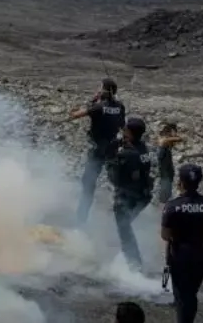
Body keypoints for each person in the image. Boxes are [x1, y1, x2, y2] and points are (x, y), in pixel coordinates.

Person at [161, 163, 203, 323]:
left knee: (183, 297)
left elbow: (165, 236)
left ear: (180, 182)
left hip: (179, 255)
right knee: (191, 294)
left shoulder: (172, 206)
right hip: (200, 255)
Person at [69, 77, 126, 224]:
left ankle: (81, 218)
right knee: (117, 182)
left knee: (88, 183)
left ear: (104, 90)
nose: (98, 89)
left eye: (100, 87)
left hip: (97, 151)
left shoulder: (98, 107)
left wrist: (91, 101)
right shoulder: (120, 107)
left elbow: (75, 114)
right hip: (112, 148)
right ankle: (123, 215)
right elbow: (121, 125)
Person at [108, 117, 154, 271]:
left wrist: (113, 155)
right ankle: (130, 259)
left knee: (124, 229)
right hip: (143, 195)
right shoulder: (143, 149)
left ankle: (133, 264)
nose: (123, 132)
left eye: (126, 130)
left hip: (128, 197)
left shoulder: (127, 154)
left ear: (131, 133)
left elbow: (114, 177)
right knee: (126, 227)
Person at [155, 122, 183, 204]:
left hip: (167, 174)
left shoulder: (165, 144)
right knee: (164, 197)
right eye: (174, 132)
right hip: (164, 175)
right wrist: (173, 136)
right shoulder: (163, 141)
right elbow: (179, 139)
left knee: (167, 195)